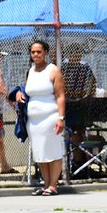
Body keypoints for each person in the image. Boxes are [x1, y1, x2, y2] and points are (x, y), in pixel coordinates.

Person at [15, 40, 66, 196]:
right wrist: (19, 94)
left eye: (39, 51)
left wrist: (61, 118)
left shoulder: (53, 70)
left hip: (51, 117)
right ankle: (45, 184)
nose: (36, 54)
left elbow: (60, 96)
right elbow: (27, 91)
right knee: (40, 152)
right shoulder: (30, 71)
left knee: (53, 151)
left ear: (46, 52)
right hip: (33, 120)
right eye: (33, 52)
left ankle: (53, 185)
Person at [61, 44, 97, 169]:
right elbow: (61, 87)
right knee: (74, 133)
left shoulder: (84, 67)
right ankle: (77, 162)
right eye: (73, 54)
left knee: (83, 133)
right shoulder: (64, 67)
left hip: (81, 103)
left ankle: (84, 163)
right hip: (68, 105)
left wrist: (86, 94)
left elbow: (92, 85)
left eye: (78, 54)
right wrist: (69, 93)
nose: (76, 56)